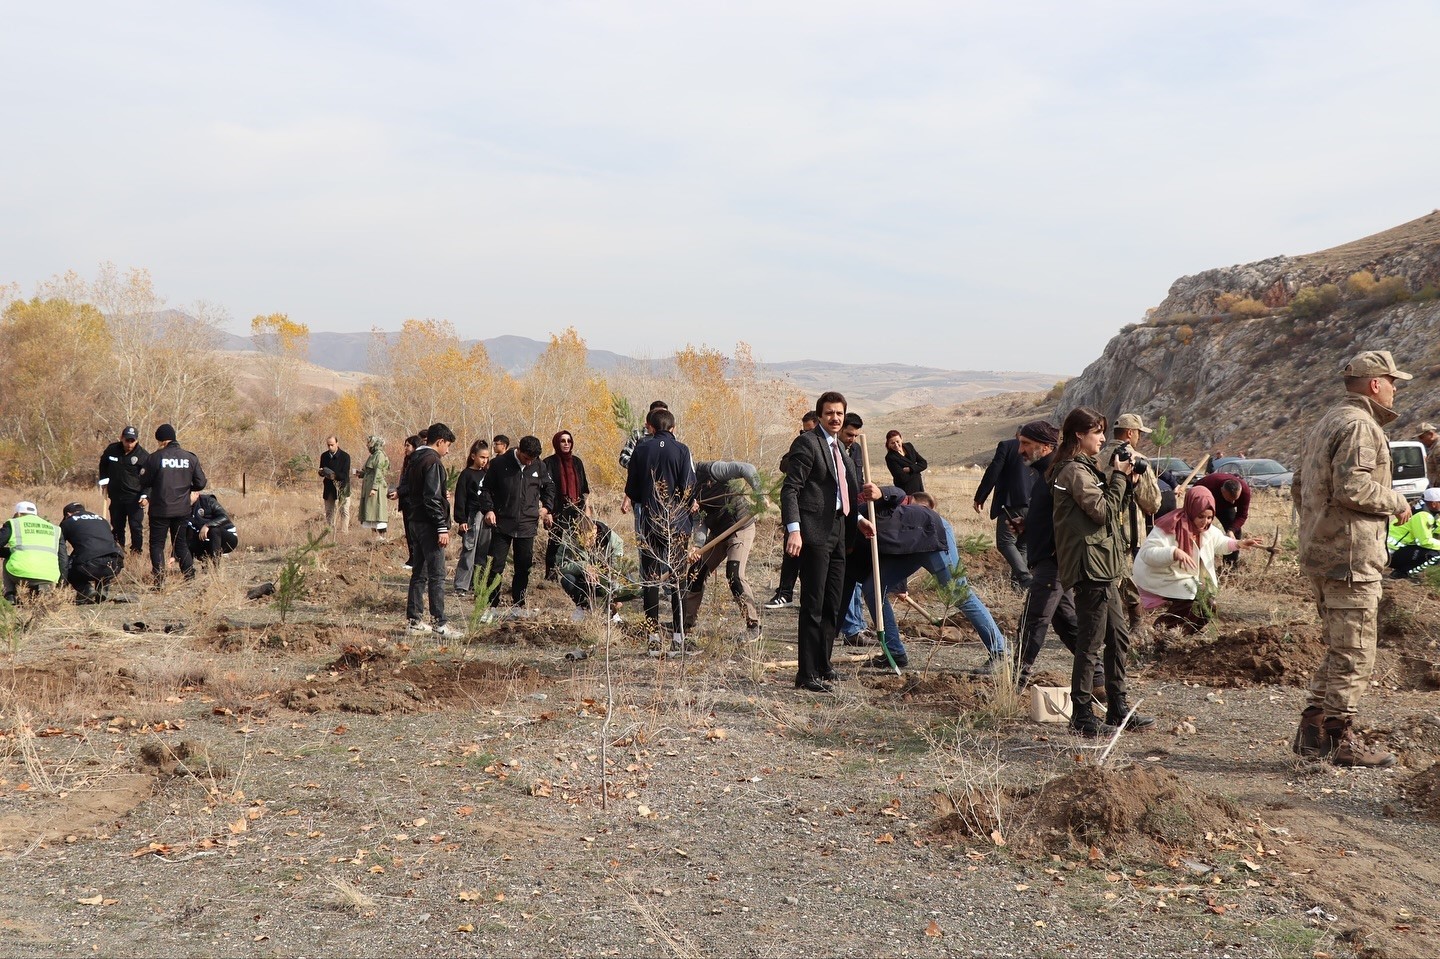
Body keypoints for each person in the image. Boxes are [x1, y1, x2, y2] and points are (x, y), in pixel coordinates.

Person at [1292, 350, 1414, 768]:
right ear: (1375, 383)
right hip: (1350, 557)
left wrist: (1316, 528)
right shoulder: (1360, 426)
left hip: (1325, 552)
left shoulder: (1328, 421)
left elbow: (1298, 485)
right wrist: (1396, 500)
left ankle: (1312, 731)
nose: (1396, 390)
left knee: (1339, 648)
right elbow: (1353, 487)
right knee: (1356, 651)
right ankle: (1337, 738)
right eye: (1394, 381)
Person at [1051, 407, 1153, 737]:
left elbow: (1112, 513)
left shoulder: (1087, 469)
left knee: (1117, 637)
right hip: (1089, 567)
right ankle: (1081, 713)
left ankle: (1117, 708)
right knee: (1090, 642)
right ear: (1079, 435)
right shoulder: (1072, 473)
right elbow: (1100, 511)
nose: (1102, 438)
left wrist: (1126, 481)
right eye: (1097, 432)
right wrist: (1120, 477)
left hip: (1104, 566)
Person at [782, 392, 879, 692]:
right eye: (829, 413)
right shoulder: (808, 443)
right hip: (813, 533)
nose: (835, 418)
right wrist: (794, 530)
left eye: (839, 413)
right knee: (813, 602)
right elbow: (790, 490)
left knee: (832, 603)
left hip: (840, 533)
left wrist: (860, 520)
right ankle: (806, 673)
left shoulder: (842, 450)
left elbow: (844, 495)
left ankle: (824, 666)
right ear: (820, 415)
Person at [861, 490, 1009, 672]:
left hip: (932, 533)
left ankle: (1000, 653)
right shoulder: (850, 513)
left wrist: (880, 493)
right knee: (872, 588)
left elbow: (896, 493)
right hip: (908, 543)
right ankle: (894, 653)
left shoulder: (867, 495)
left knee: (959, 593)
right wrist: (899, 584)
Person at [1011, 420, 1091, 692]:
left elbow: (1069, 518)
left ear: (1046, 446)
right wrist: (1028, 524)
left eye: (1026, 444)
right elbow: (1052, 517)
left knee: (1033, 621)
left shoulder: (1057, 474)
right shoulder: (1043, 474)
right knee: (1068, 624)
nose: (1020, 449)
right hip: (1052, 559)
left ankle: (1013, 686)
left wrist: (1058, 550)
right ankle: (1099, 680)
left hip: (1053, 562)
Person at [1132, 487, 1264, 632]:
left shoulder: (1208, 530)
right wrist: (1173, 552)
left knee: (1208, 604)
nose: (1205, 522)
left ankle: (1182, 634)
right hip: (1159, 574)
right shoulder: (1169, 527)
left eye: (1209, 518)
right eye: (1201, 516)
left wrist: (1239, 543)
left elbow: (1220, 542)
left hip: (1182, 577)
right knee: (1194, 594)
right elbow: (1147, 553)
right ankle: (1162, 629)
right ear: (1192, 510)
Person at [623, 407, 697, 654]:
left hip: (649, 520)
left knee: (650, 579)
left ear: (651, 428)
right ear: (672, 428)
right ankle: (678, 636)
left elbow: (632, 490)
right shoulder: (682, 450)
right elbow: (688, 488)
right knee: (677, 578)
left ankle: (653, 636)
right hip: (675, 520)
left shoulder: (641, 449)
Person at [681, 461, 762, 639]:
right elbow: (698, 521)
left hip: (740, 526)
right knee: (696, 571)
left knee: (734, 574)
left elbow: (746, 468)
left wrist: (759, 494)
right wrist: (697, 546)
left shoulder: (711, 470)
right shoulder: (685, 489)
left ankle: (753, 626)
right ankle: (685, 622)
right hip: (718, 534)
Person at [399, 422, 460, 638]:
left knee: (419, 573)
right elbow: (432, 497)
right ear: (440, 441)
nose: (448, 451)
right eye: (448, 446)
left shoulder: (413, 459)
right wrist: (441, 526)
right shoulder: (432, 461)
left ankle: (414, 621)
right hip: (429, 525)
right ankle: (439, 623)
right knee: (436, 575)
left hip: (414, 521)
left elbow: (406, 489)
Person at [1103, 413, 1164, 629]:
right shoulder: (1136, 460)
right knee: (1124, 575)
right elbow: (1152, 503)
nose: (1139, 437)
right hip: (1127, 531)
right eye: (1138, 433)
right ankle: (1134, 622)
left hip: (1099, 527)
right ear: (1130, 433)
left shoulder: (1098, 456)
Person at [481, 435, 555, 609]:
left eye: (532, 460)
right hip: (502, 523)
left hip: (527, 524)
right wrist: (489, 510)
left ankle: (518, 605)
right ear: (519, 451)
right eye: (526, 458)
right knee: (495, 567)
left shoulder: (539, 465)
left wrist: (546, 508)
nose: (529, 463)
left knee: (523, 567)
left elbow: (549, 487)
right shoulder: (499, 463)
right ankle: (490, 605)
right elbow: (484, 489)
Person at [138, 423, 207, 584]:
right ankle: (189, 576)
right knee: (181, 543)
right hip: (182, 509)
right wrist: (186, 489)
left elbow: (144, 480)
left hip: (159, 509)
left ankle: (160, 580)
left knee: (157, 545)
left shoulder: (155, 457)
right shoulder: (190, 457)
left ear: (161, 441)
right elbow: (201, 483)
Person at [764, 411, 819, 610]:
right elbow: (784, 464)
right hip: (798, 507)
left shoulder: (836, 448)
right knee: (792, 551)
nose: (806, 436)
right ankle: (785, 592)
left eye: (809, 431)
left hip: (822, 515)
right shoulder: (802, 444)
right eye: (803, 432)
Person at [974, 430, 1034, 588]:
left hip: (1012, 502)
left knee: (1005, 542)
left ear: (1017, 435)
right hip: (1033, 503)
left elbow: (994, 470)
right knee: (1022, 545)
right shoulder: (1039, 448)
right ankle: (1018, 586)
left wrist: (980, 496)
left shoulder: (1007, 445)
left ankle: (1025, 578)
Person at [559, 515, 638, 615]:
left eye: (589, 538)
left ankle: (612, 610)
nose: (587, 544)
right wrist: (583, 566)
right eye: (582, 540)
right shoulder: (570, 538)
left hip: (606, 580)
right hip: (583, 580)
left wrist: (617, 591)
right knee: (567, 579)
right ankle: (583, 608)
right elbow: (561, 565)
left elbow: (617, 567)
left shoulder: (613, 540)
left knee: (630, 582)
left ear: (595, 529)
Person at [543, 430, 591, 581]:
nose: (566, 444)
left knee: (579, 543)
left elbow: (584, 488)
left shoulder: (577, 462)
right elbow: (545, 489)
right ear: (557, 443)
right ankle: (551, 576)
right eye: (563, 441)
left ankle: (575, 575)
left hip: (577, 509)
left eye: (569, 441)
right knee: (555, 542)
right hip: (557, 509)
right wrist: (547, 511)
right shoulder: (549, 462)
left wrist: (587, 509)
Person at [97, 425, 148, 556]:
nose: (129, 444)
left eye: (132, 441)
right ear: (121, 438)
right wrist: (103, 480)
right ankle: (118, 550)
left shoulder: (143, 456)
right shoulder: (112, 450)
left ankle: (136, 552)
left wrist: (146, 495)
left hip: (134, 498)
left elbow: (149, 479)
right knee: (117, 525)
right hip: (116, 496)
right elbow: (103, 464)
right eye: (127, 440)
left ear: (136, 440)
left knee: (135, 527)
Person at [59, 502, 122, 603]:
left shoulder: (67, 522)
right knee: (103, 553)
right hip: (115, 564)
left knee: (66, 561)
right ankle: (103, 587)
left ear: (68, 514)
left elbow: (60, 551)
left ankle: (86, 589)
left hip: (89, 566)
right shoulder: (102, 519)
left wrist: (62, 582)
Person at [0, 502, 63, 604]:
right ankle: (42, 591)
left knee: (9, 559)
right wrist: (61, 583)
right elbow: (62, 558)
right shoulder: (55, 528)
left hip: (20, 573)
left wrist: (9, 552)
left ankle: (10, 595)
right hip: (49, 575)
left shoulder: (14, 523)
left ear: (18, 513)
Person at [452, 440, 492, 596]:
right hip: (471, 516)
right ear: (473, 456)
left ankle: (478, 584)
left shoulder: (487, 474)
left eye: (487, 458)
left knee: (483, 551)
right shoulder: (466, 474)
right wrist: (461, 520)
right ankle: (461, 585)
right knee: (469, 550)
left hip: (486, 516)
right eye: (482, 457)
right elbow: (461, 498)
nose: (484, 460)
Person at [1193, 472, 1251, 568]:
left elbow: (1242, 515)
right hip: (1205, 505)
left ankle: (1229, 568)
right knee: (1201, 532)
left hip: (1224, 508)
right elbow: (1192, 496)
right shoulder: (1208, 485)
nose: (1233, 502)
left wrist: (1231, 530)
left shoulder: (1245, 491)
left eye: (1235, 499)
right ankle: (1198, 563)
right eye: (1230, 499)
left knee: (1236, 532)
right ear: (1222, 491)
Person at [1388, 487, 1440, 579]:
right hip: (1390, 552)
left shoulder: (1424, 510)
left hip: (1395, 549)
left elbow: (1436, 526)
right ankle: (1403, 573)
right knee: (1434, 554)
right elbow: (1424, 541)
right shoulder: (1423, 515)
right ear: (1434, 503)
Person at [389, 435, 420, 568]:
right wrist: (398, 491)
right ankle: (412, 557)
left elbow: (414, 484)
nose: (405, 448)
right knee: (408, 531)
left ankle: (415, 560)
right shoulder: (408, 460)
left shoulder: (417, 462)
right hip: (406, 502)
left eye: (408, 445)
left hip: (413, 503)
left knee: (414, 533)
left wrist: (399, 492)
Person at [186, 493, 239, 566]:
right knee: (188, 534)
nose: (185, 497)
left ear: (196, 494)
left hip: (226, 536)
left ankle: (215, 567)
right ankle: (189, 569)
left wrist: (208, 525)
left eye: (188, 495)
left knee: (214, 530)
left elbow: (224, 516)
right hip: (206, 539)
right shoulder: (184, 507)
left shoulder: (208, 501)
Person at [355, 435, 390, 538]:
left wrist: (374, 488)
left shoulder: (379, 455)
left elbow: (379, 472)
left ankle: (381, 537)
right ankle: (374, 537)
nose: (368, 445)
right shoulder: (373, 455)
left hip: (377, 488)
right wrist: (360, 474)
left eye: (369, 443)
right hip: (369, 486)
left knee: (378, 512)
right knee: (371, 513)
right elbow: (369, 471)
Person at [319, 436, 352, 535]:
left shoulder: (345, 456)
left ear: (337, 443)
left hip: (343, 486)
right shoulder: (324, 456)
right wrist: (321, 472)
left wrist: (334, 475)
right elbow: (321, 469)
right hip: (329, 487)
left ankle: (344, 532)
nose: (330, 447)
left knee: (344, 511)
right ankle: (330, 532)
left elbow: (345, 474)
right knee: (329, 511)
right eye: (328, 445)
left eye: (332, 445)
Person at [884, 430, 928, 495]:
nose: (896, 445)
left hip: (918, 485)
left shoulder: (909, 446)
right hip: (905, 489)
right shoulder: (890, 457)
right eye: (892, 443)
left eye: (897, 441)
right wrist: (917, 468)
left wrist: (910, 469)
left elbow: (924, 463)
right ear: (888, 444)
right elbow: (901, 477)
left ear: (901, 439)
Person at [1418, 422, 1440, 488]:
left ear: (1431, 434)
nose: (1420, 440)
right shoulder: (1434, 447)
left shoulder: (1438, 448)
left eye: (1421, 437)